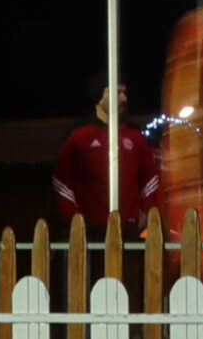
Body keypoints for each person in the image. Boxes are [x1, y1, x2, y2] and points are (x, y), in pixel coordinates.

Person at [52, 71, 162, 231]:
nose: (124, 98)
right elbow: (61, 180)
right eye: (117, 92)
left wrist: (147, 211)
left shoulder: (135, 134)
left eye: (125, 92)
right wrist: (73, 217)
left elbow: (150, 177)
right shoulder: (78, 135)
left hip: (130, 228)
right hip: (90, 231)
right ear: (99, 96)